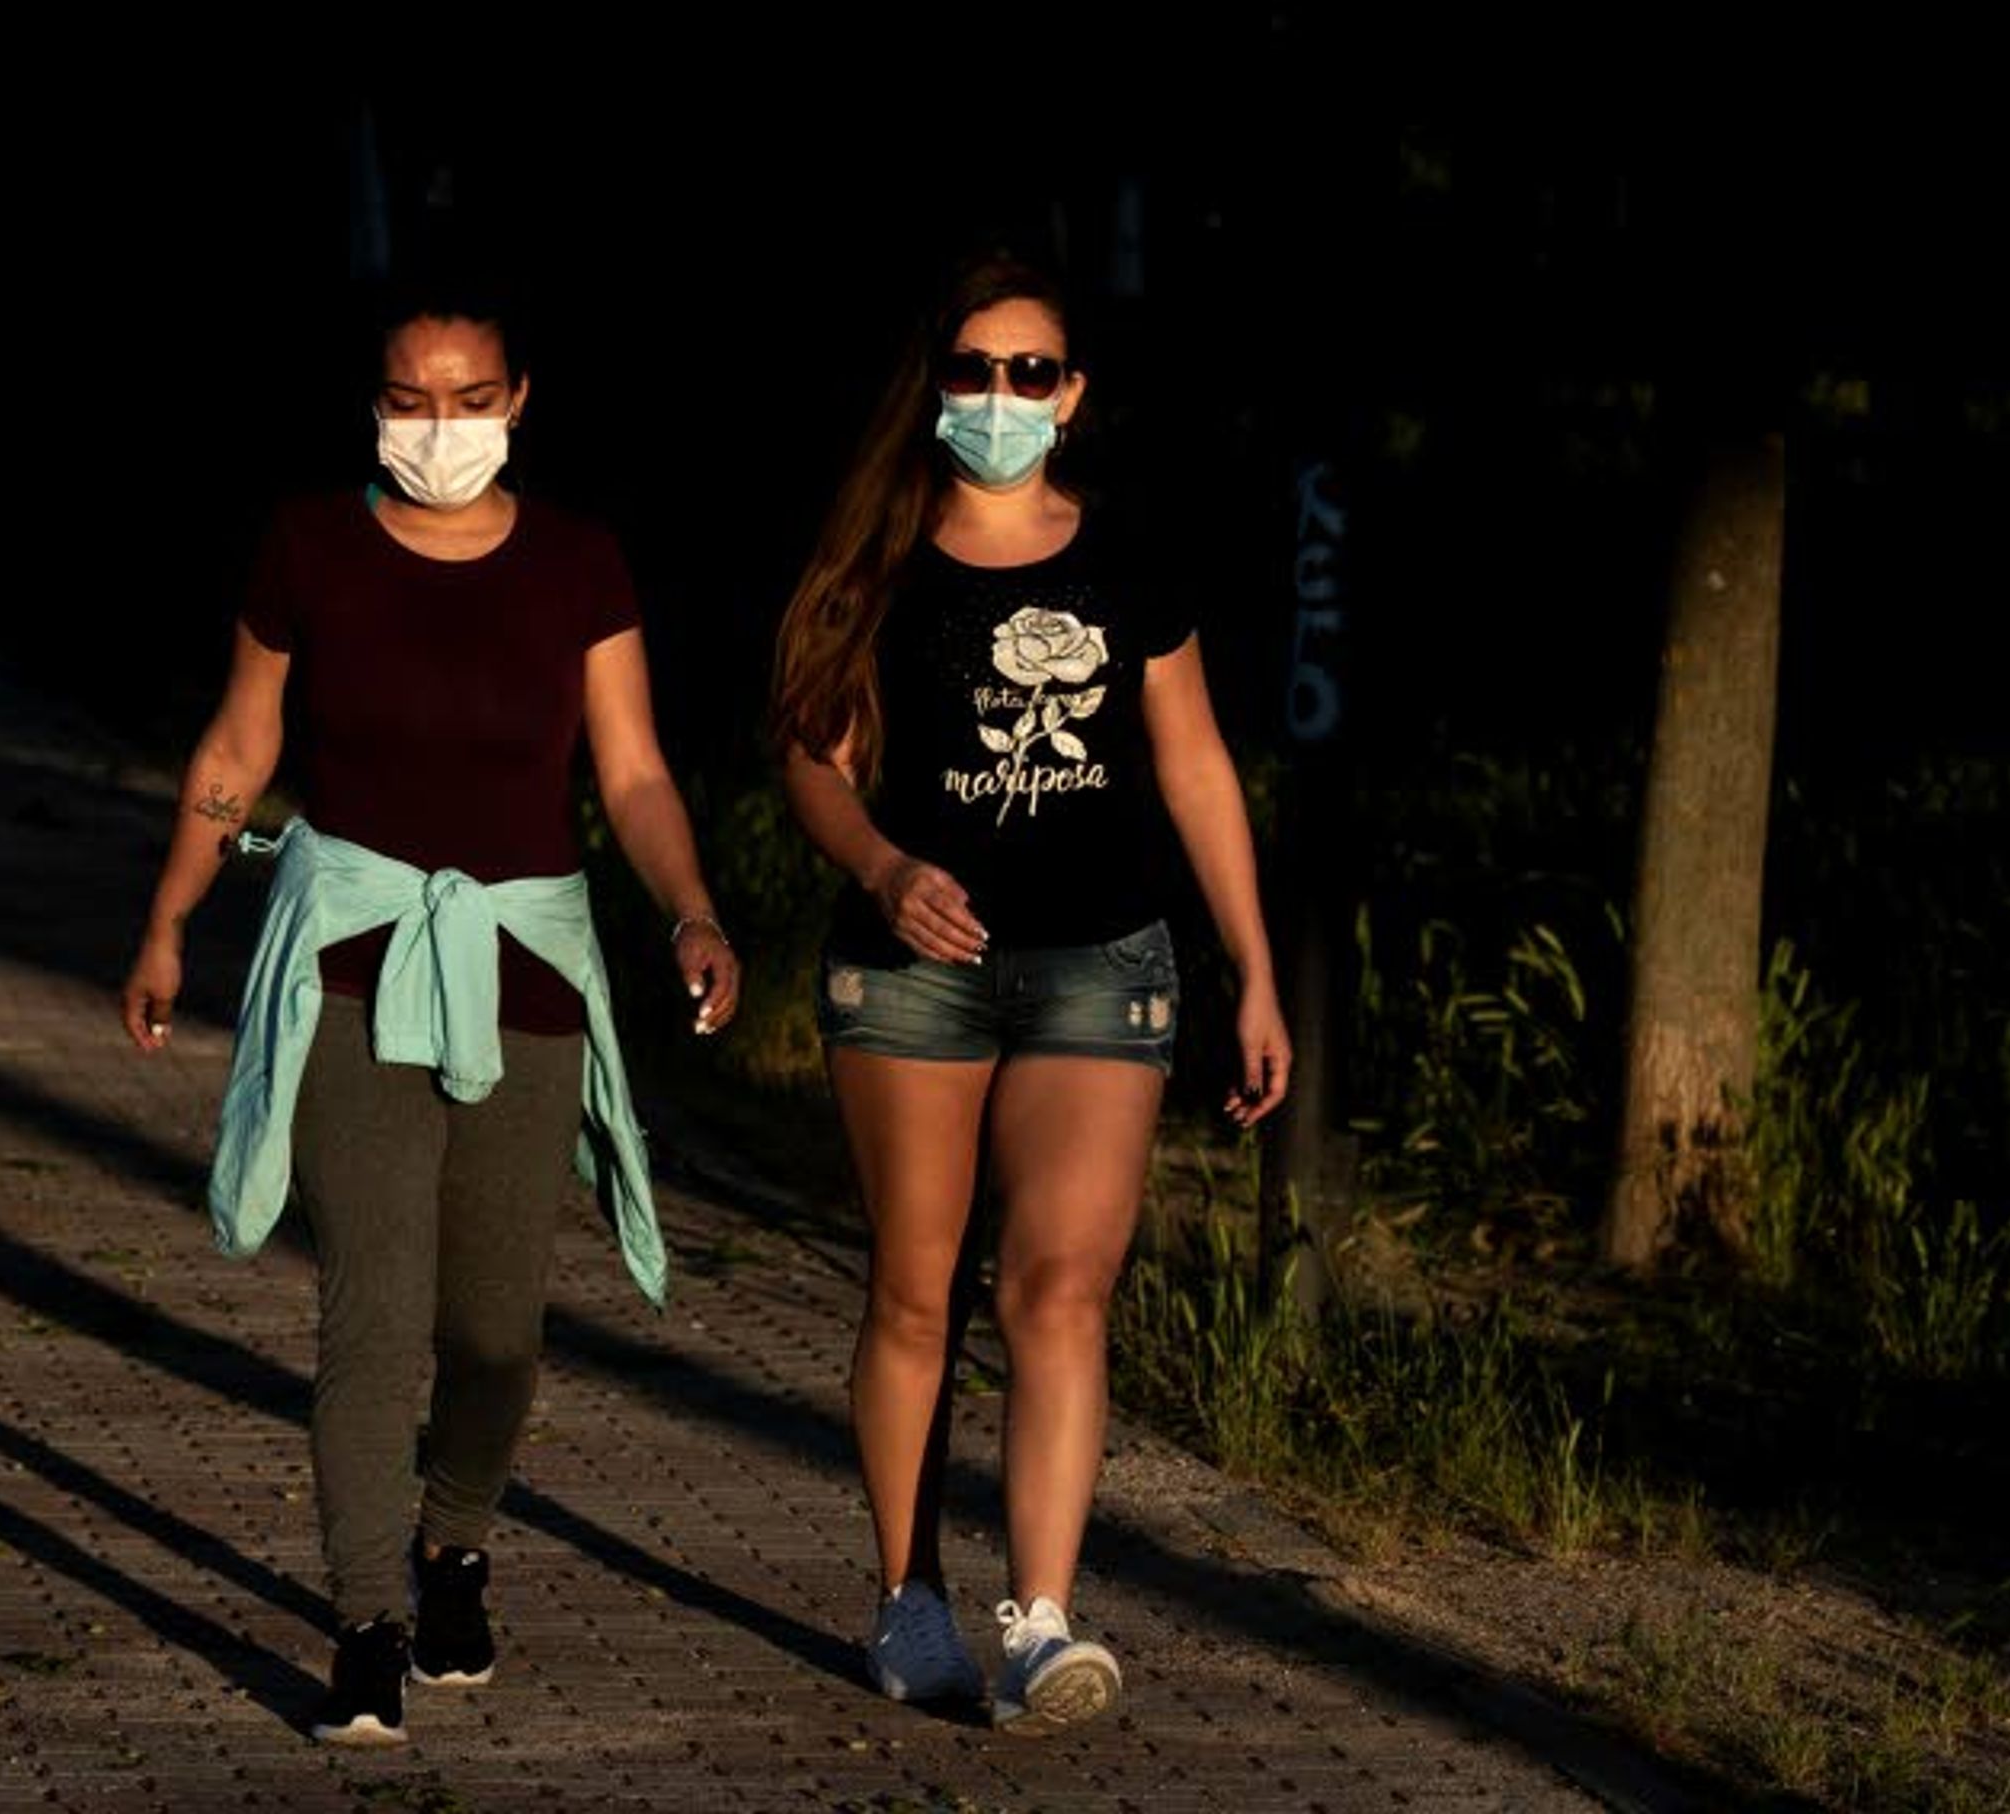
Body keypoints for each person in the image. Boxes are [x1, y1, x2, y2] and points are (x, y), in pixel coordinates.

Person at [120, 269, 743, 1748]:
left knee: (498, 1335)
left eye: (471, 401)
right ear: (375, 404)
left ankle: (455, 1538)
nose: (441, 427)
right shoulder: (311, 546)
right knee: (373, 1322)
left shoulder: (581, 563)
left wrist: (694, 911)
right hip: (354, 965)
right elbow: (239, 743)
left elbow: (635, 772)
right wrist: (167, 920)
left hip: (525, 970)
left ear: (519, 402)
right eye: (412, 401)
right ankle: (363, 1623)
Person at [767, 250, 1289, 1734]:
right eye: (977, 370)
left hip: (1098, 967)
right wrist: (879, 869)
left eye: (1032, 372)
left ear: (1074, 396)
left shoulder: (1128, 563)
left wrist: (1251, 968)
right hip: (912, 976)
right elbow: (810, 758)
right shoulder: (878, 556)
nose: (1002, 397)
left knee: (1059, 1283)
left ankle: (1043, 1622)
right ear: (938, 384)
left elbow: (1192, 766)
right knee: (916, 1293)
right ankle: (907, 1597)